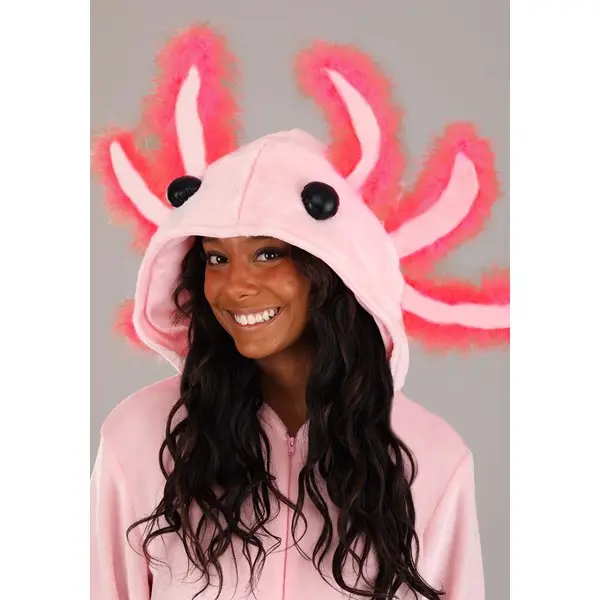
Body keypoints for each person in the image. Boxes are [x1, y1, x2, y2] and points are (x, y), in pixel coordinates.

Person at [90, 129, 484, 600]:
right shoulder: (138, 435)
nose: (235, 286)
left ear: (332, 269)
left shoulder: (430, 457)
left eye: (268, 254)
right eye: (217, 257)